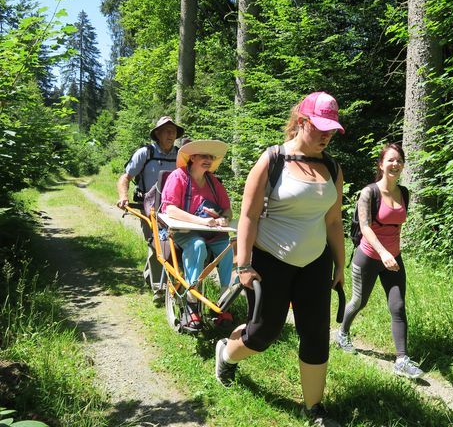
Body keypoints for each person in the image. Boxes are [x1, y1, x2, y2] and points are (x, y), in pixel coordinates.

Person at [215, 92, 345, 427]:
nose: (327, 135)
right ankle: (226, 355)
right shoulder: (273, 159)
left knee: (316, 334)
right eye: (320, 127)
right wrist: (243, 264)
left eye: (331, 129)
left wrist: (341, 265)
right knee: (263, 333)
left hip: (316, 263)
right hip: (270, 260)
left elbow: (333, 221)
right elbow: (248, 215)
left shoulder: (331, 167)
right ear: (302, 122)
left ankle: (314, 408)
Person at [335, 143, 425, 379]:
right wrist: (383, 252)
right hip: (369, 256)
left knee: (398, 306)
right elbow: (365, 227)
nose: (395, 164)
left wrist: (393, 251)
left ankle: (402, 360)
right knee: (358, 302)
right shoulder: (369, 193)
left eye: (399, 160)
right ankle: (342, 332)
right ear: (381, 164)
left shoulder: (404, 192)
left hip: (393, 259)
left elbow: (396, 225)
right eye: (390, 160)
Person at [160, 139, 234, 331]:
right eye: (203, 156)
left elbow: (227, 210)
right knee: (198, 246)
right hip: (183, 231)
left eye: (210, 157)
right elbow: (171, 210)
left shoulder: (213, 181)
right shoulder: (178, 177)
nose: (208, 160)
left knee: (227, 247)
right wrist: (201, 222)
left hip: (211, 231)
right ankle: (191, 305)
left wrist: (224, 219)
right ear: (192, 157)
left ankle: (224, 301)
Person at [116, 116, 185, 297]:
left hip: (174, 209)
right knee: (156, 244)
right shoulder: (145, 153)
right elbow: (125, 177)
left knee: (172, 244)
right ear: (157, 134)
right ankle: (159, 289)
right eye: (167, 131)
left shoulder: (180, 156)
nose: (171, 134)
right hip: (149, 207)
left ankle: (159, 278)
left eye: (174, 131)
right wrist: (123, 197)